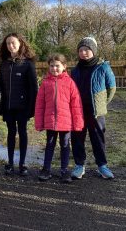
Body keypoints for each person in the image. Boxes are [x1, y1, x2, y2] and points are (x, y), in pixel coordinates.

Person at [70, 37, 116, 179]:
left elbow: (111, 88)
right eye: (81, 50)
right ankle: (79, 165)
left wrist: (102, 103)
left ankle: (102, 166)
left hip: (96, 112)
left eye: (87, 50)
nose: (84, 53)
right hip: (78, 111)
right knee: (77, 138)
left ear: (93, 51)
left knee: (98, 137)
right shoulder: (75, 70)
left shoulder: (103, 67)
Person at [35, 54, 84, 183]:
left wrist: (78, 124)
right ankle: (46, 169)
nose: (54, 68)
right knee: (49, 144)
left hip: (66, 123)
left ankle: (64, 170)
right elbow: (40, 105)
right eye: (51, 66)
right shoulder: (45, 83)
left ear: (64, 67)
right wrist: (39, 123)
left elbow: (76, 105)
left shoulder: (70, 83)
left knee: (65, 146)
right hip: (50, 122)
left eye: (57, 66)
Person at [0, 33, 38, 176]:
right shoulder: (4, 64)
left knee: (23, 133)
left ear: (20, 43)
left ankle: (23, 163)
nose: (10, 46)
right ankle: (9, 163)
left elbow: (34, 88)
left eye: (13, 43)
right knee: (10, 133)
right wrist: (0, 107)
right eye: (8, 43)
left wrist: (32, 108)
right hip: (8, 107)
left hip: (23, 107)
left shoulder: (28, 64)